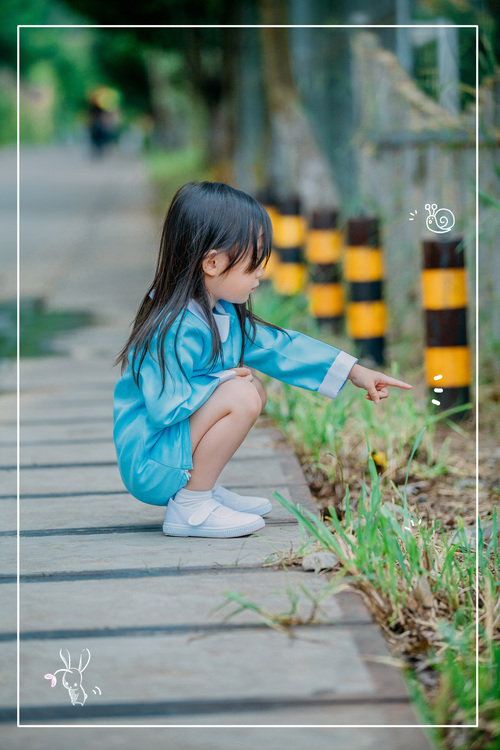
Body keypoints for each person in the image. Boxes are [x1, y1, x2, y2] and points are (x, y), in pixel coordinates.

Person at [113, 182, 412, 539]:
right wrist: (221, 381)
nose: (261, 274)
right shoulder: (172, 327)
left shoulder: (217, 312)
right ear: (212, 263)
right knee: (240, 392)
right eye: (254, 263)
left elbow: (281, 348)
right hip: (151, 461)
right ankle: (191, 506)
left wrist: (353, 371)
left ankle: (196, 487)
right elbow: (165, 407)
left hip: (170, 452)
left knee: (251, 386)